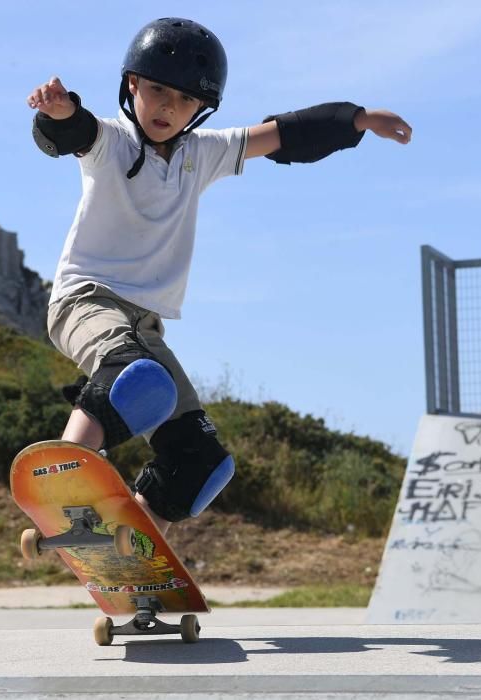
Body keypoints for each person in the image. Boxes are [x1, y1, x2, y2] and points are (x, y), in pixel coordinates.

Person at [27, 18, 411, 536]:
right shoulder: (110, 142)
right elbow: (75, 129)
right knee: (128, 375)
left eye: (184, 100)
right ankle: (63, 473)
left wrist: (358, 120)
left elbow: (284, 135)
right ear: (133, 85)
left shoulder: (200, 154)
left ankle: (135, 548)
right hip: (85, 300)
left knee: (202, 462)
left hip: (144, 327)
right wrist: (59, 111)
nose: (167, 107)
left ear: (199, 110)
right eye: (157, 89)